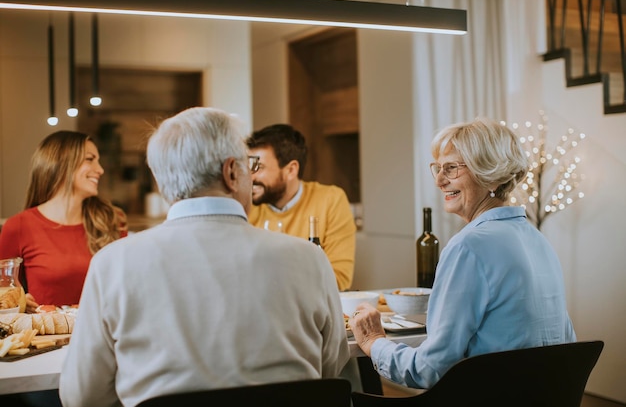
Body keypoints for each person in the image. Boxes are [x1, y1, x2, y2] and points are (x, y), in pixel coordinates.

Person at [59, 107, 350, 407]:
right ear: (231, 173)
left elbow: (80, 396)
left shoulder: (112, 264)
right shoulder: (310, 259)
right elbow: (330, 366)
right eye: (248, 166)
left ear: (161, 182)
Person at [349, 117, 576, 389]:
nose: (440, 181)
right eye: (438, 169)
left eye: (452, 168)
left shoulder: (468, 246)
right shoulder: (538, 240)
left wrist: (374, 341)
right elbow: (566, 344)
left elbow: (427, 370)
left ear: (490, 174)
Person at [0, 130, 127, 312]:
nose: (100, 170)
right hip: (49, 338)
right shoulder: (18, 226)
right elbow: (4, 293)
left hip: (106, 335)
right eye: (90, 159)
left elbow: (125, 286)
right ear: (62, 163)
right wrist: (19, 303)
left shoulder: (112, 220)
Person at [246, 124, 356, 291]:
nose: (250, 177)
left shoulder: (330, 200)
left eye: (258, 168)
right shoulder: (247, 206)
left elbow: (339, 278)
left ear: (291, 170)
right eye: (249, 167)